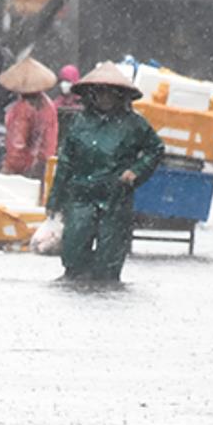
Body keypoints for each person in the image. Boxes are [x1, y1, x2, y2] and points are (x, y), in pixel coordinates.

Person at [45, 62, 165, 283]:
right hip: (81, 194)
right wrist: (55, 199)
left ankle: (105, 285)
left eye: (110, 93)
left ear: (120, 95)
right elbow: (65, 162)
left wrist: (135, 171)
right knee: (74, 247)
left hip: (115, 196)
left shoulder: (134, 124)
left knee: (109, 256)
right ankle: (75, 279)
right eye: (99, 92)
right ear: (92, 94)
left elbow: (155, 149)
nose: (105, 98)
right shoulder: (79, 123)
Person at [0, 57, 58, 179]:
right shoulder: (48, 105)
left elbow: (17, 144)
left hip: (22, 171)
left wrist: (8, 168)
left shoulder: (23, 108)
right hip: (44, 166)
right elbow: (50, 140)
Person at [52, 64, 84, 140]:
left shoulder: (82, 101)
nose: (63, 84)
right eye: (61, 81)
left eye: (67, 81)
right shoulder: (57, 102)